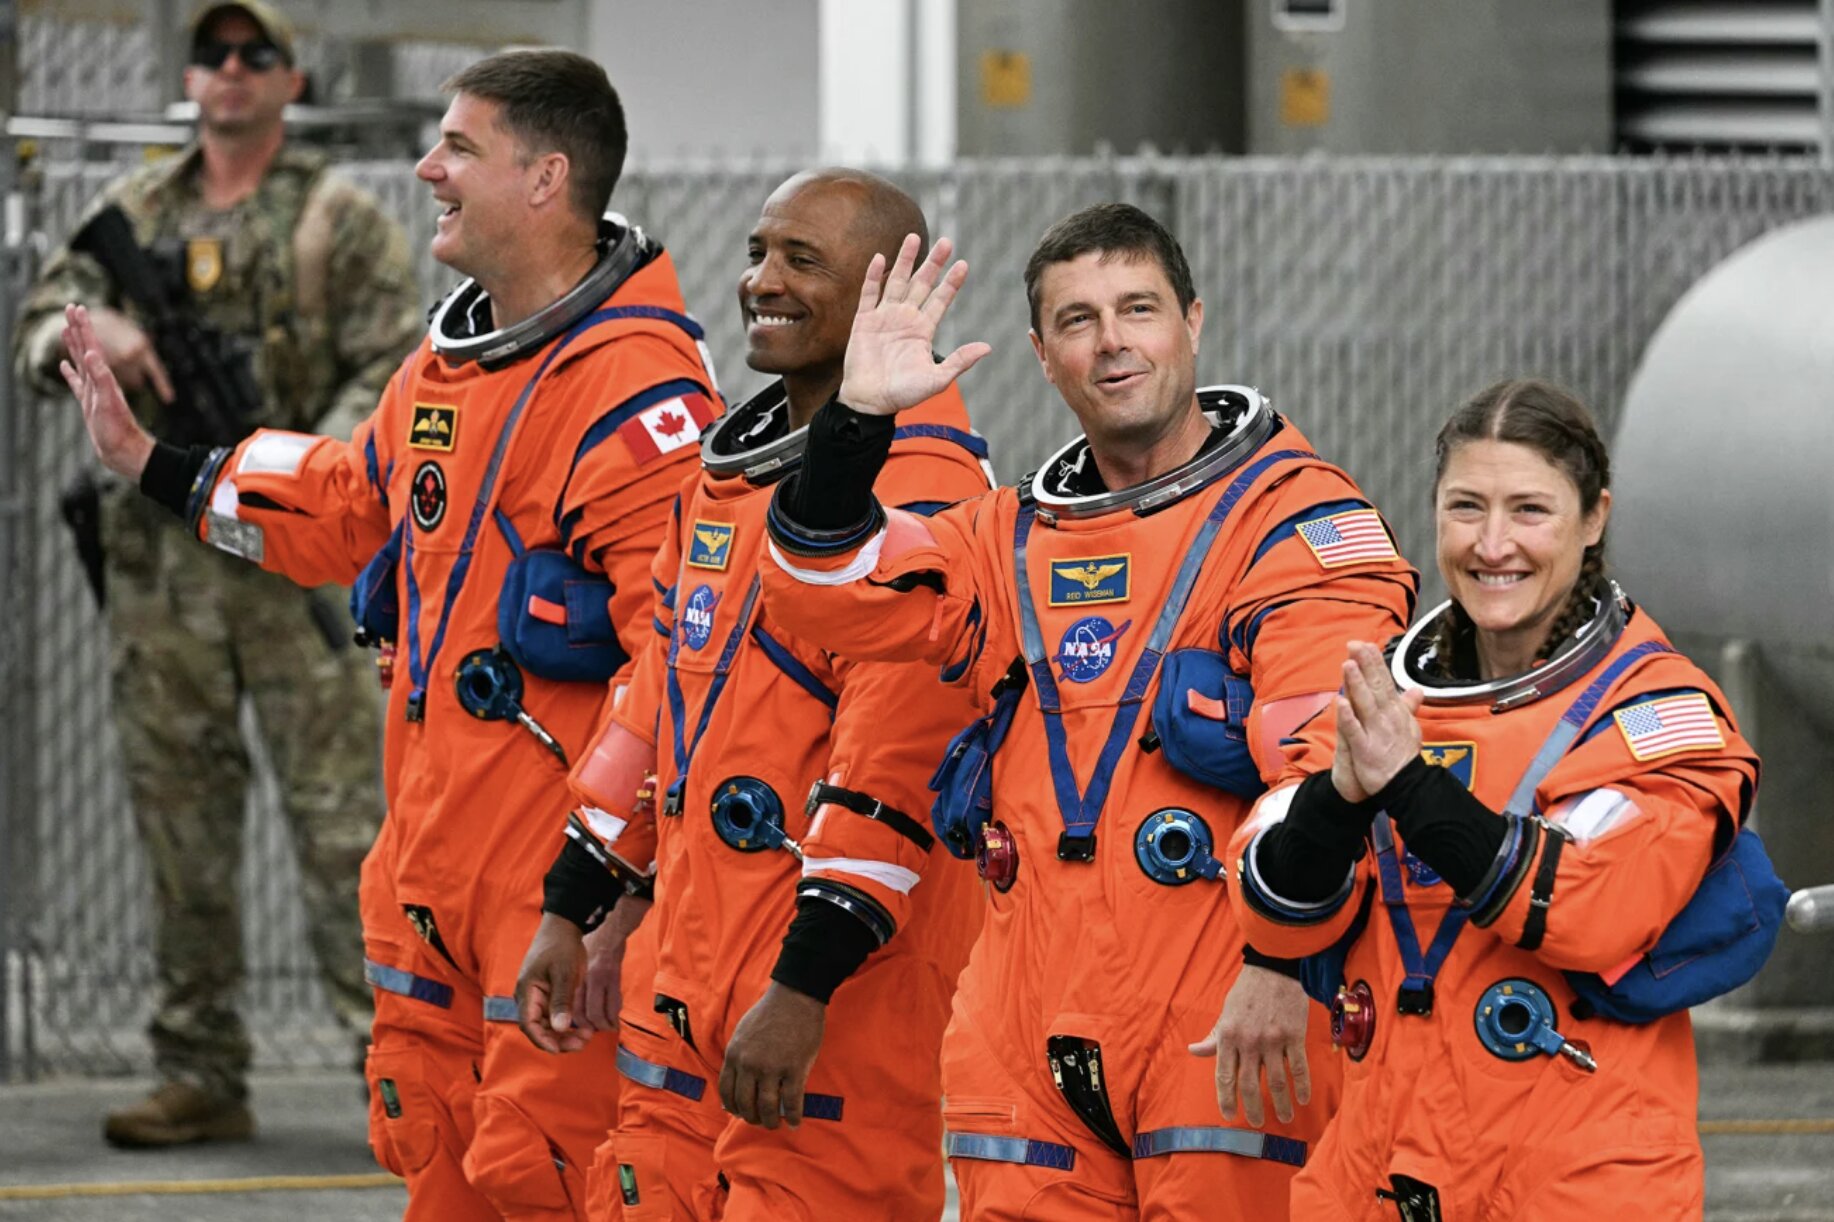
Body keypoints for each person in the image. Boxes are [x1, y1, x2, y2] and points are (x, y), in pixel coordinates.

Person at [59, 48, 719, 1221]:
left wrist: (618, 895)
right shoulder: (450, 367)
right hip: (433, 872)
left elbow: (680, 673)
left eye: (459, 148)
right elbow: (340, 498)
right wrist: (149, 463)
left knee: (551, 1168)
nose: (429, 168)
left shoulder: (637, 394)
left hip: (553, 891)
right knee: (442, 1159)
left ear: (544, 176)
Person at [756, 203, 1419, 1218]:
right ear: (1041, 354)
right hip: (1024, 1025)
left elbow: (1329, 770)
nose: (1111, 342)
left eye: (1137, 309)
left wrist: (1279, 960)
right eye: (1077, 320)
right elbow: (823, 584)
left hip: (1224, 1014)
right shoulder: (1003, 537)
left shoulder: (1296, 524)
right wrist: (856, 423)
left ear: (1191, 320)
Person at [514, 168, 994, 1222]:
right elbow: (655, 710)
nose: (760, 282)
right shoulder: (726, 472)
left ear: (879, 294)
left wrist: (803, 988)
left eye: (800, 261)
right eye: (756, 253)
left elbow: (895, 776)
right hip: (686, 987)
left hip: (825, 1010)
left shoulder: (927, 492)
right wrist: (578, 904)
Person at [11, 0, 417, 1148]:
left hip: (293, 568)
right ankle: (200, 1063)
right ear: (192, 77)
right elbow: (41, 318)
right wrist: (97, 341)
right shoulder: (133, 212)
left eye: (256, 56)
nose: (231, 73)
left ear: (291, 81)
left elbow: (392, 374)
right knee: (180, 826)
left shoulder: (338, 221)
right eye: (213, 55)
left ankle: (392, 1066)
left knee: (346, 828)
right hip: (166, 578)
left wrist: (287, 480)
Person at [1228, 379, 1762, 1219]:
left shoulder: (1654, 713)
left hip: (1576, 1169)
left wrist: (1403, 783)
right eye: (1466, 507)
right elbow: (1270, 898)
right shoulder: (1384, 693)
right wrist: (1340, 797)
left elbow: (1589, 904)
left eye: (1530, 511)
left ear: (1593, 520)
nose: (1493, 543)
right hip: (1378, 1160)